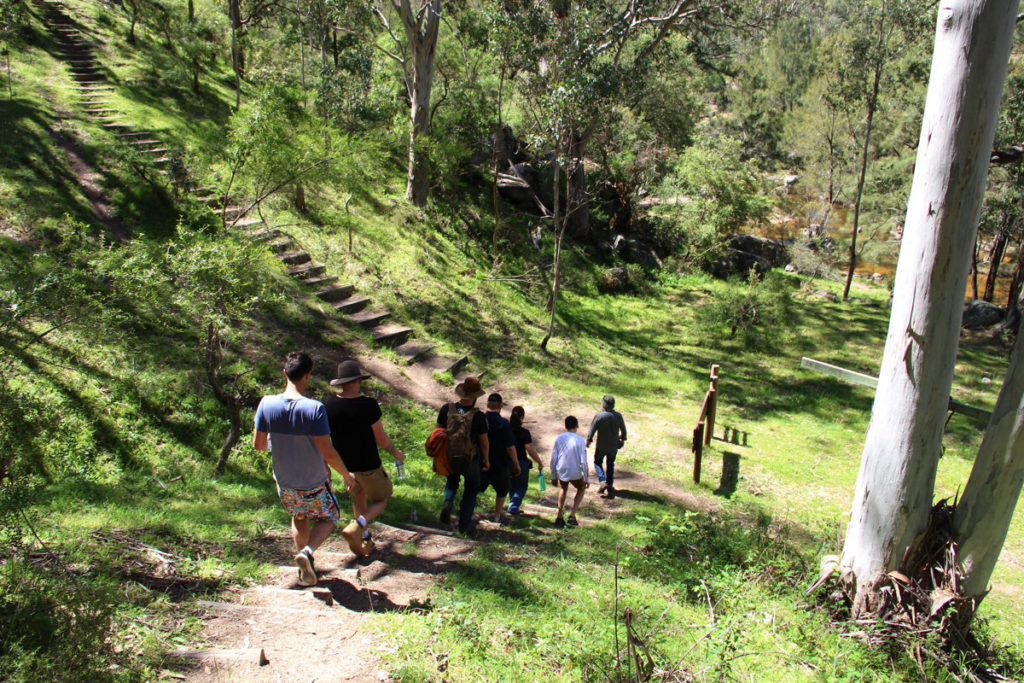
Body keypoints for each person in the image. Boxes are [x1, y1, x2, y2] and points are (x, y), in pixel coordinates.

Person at [253, 351, 357, 587]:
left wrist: (281, 442)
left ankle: (304, 572)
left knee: (298, 515)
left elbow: (259, 445)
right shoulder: (314, 409)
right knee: (329, 516)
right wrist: (346, 474)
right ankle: (308, 552)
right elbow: (327, 452)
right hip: (314, 481)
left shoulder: (266, 404)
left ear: (285, 373)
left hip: (285, 481)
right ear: (308, 375)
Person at [323, 358, 405, 558]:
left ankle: (365, 536)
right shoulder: (368, 405)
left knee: (358, 496)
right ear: (358, 380)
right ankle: (358, 525)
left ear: (341, 382)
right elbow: (381, 438)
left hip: (345, 466)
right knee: (381, 498)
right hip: (368, 464)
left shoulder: (328, 404)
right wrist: (395, 452)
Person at [436, 376, 490, 535]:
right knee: (472, 489)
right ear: (475, 397)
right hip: (470, 458)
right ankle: (464, 525)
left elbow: (438, 431)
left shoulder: (447, 409)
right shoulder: (479, 416)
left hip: (450, 454)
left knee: (452, 480)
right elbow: (484, 442)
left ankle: (448, 502)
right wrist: (486, 460)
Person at [478, 393, 520, 523]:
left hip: (481, 462)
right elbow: (510, 447)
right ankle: (497, 516)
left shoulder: (480, 419)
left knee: (474, 488)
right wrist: (516, 464)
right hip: (499, 463)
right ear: (501, 406)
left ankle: (465, 511)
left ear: (487, 404)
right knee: (502, 490)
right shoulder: (504, 424)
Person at [549, 415, 589, 528]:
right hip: (575, 470)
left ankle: (559, 515)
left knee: (563, 488)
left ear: (565, 426)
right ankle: (572, 515)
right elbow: (584, 461)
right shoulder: (580, 440)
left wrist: (553, 476)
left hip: (562, 469)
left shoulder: (559, 438)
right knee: (581, 488)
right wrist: (587, 477)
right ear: (577, 425)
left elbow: (554, 458)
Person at [586, 395, 627, 499]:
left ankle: (602, 481)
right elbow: (623, 429)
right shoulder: (618, 416)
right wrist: (622, 439)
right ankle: (609, 486)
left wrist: (588, 440)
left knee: (597, 462)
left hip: (601, 446)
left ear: (603, 405)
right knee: (610, 464)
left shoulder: (599, 416)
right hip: (613, 446)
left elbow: (592, 429)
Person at [507, 405, 543, 516]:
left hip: (507, 462)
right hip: (521, 462)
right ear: (522, 417)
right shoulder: (524, 432)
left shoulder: (506, 429)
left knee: (511, 485)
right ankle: (513, 507)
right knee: (521, 486)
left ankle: (512, 504)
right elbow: (530, 450)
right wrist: (539, 462)